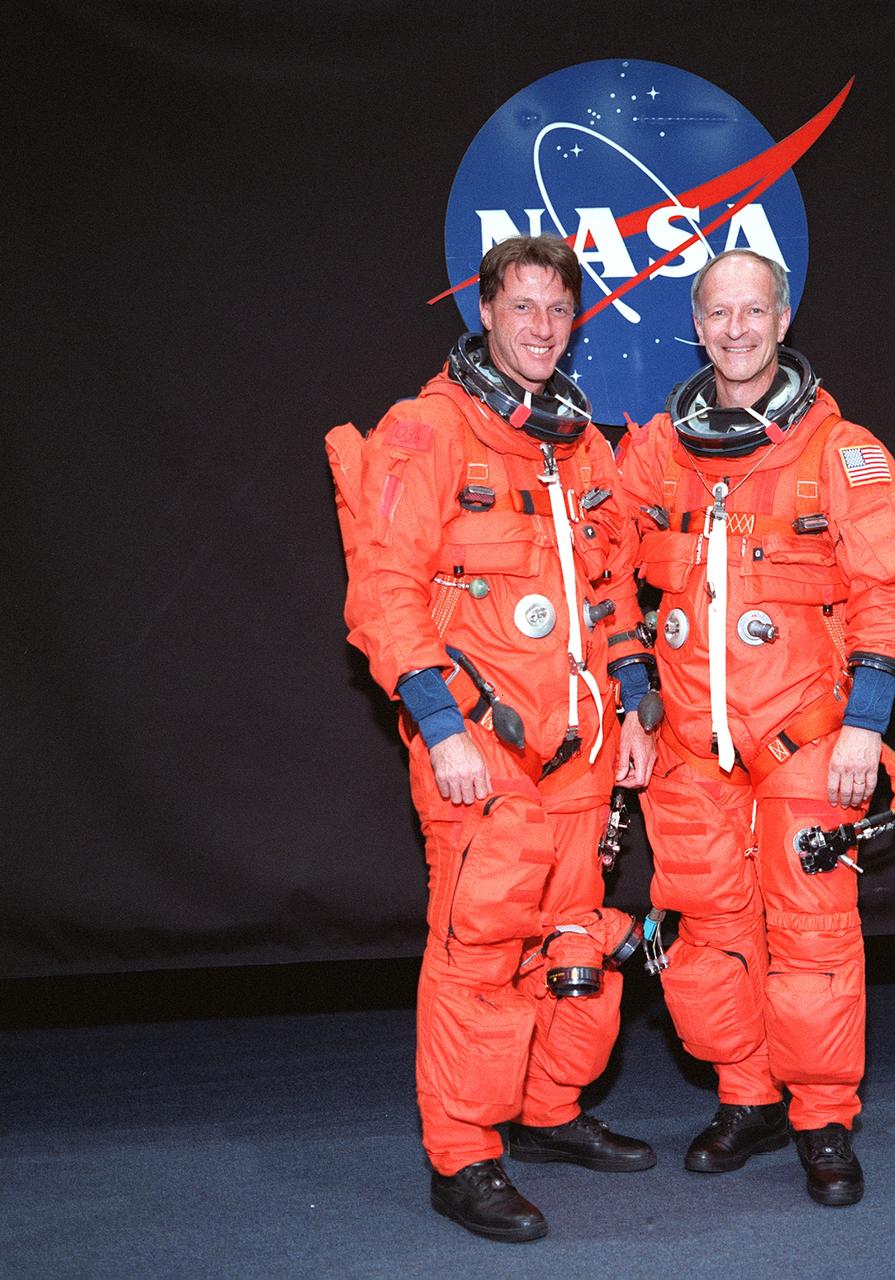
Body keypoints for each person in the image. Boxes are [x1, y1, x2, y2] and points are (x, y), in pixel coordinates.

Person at [327, 236, 660, 1243]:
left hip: (583, 747)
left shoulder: (581, 447)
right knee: (476, 952)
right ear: (485, 310)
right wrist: (441, 728)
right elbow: (383, 596)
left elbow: (614, 589)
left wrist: (637, 707)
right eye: (523, 308)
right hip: (481, 744)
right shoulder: (427, 431)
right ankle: (465, 1152)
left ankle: (549, 1111)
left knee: (571, 940)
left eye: (559, 312)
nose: (541, 329)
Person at [617, 249, 895, 1207]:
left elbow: (891, 593)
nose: (738, 330)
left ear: (784, 319)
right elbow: (596, 570)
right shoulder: (656, 454)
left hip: (804, 742)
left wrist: (865, 730)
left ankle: (823, 1117)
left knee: (814, 940)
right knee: (704, 937)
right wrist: (635, 690)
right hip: (690, 757)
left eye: (754, 311)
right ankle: (747, 1095)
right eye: (720, 314)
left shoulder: (842, 454)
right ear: (699, 325)